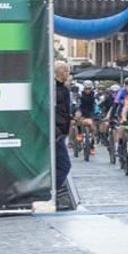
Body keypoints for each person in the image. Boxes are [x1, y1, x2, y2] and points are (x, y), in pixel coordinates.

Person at [53, 60, 74, 209]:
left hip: (59, 131)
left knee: (59, 165)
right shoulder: (55, 89)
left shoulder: (62, 88)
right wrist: (56, 130)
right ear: (60, 72)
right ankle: (52, 192)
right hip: (56, 132)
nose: (68, 74)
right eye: (66, 71)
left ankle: (52, 193)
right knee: (64, 165)